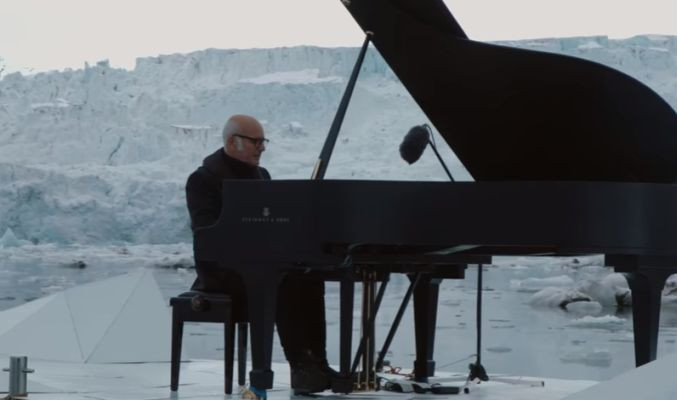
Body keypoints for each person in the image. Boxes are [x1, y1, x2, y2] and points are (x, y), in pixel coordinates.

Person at [185, 115, 335, 399]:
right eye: (256, 142)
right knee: (282, 283)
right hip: (221, 271)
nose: (262, 147)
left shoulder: (262, 175)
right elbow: (205, 234)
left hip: (260, 263)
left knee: (309, 278)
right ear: (233, 142)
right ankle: (300, 366)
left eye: (263, 141)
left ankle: (317, 362)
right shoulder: (203, 179)